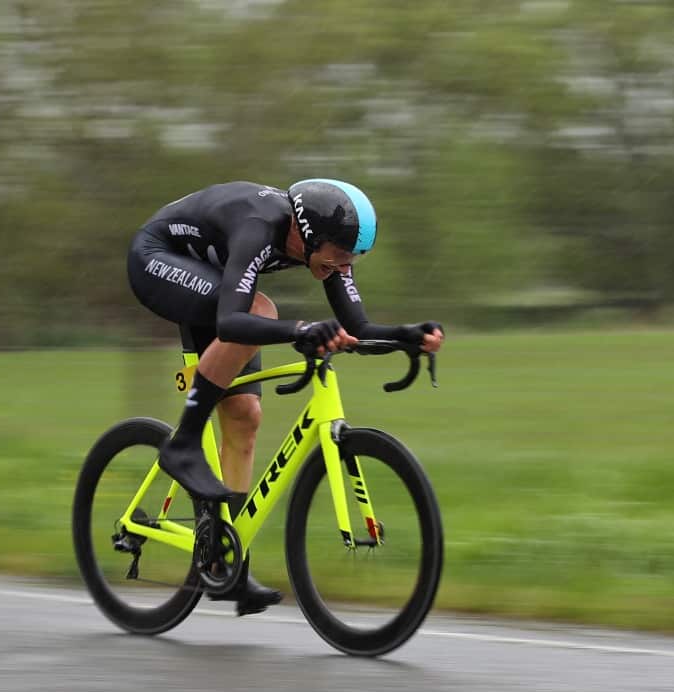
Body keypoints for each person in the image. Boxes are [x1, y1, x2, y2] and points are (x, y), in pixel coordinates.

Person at [126, 178, 445, 614]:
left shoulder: (328, 252)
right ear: (309, 233)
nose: (344, 265)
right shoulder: (258, 226)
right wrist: (300, 330)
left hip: (214, 276)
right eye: (339, 255)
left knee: (245, 416)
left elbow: (358, 329)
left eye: (352, 258)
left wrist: (405, 336)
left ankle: (224, 560)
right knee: (260, 310)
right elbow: (231, 323)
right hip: (157, 258)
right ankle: (183, 445)